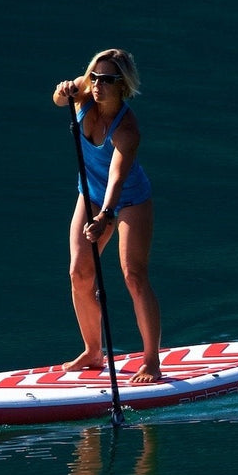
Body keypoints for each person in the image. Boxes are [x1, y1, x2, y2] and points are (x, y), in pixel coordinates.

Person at [51, 48, 162, 383]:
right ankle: (93, 351)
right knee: (79, 273)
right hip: (91, 195)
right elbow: (59, 100)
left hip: (128, 200)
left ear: (123, 86)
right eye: (94, 77)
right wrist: (63, 90)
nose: (98, 85)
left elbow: (117, 176)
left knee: (133, 275)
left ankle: (152, 361)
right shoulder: (83, 99)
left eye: (107, 80)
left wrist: (107, 216)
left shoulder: (127, 129)